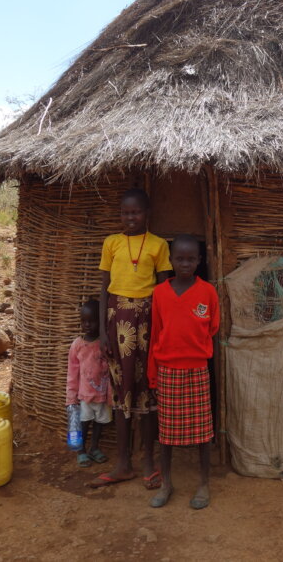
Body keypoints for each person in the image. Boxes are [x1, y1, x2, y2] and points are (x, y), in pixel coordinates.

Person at [90, 188, 172, 489]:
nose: (130, 217)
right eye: (125, 213)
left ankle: (149, 460)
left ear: (146, 213)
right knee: (121, 390)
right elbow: (104, 290)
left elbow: (164, 293)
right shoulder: (111, 243)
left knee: (148, 389)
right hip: (117, 321)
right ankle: (123, 462)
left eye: (135, 212)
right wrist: (102, 332)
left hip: (148, 321)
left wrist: (162, 331)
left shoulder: (158, 245)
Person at [147, 234, 219, 509]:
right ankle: (166, 483)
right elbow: (155, 334)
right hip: (167, 371)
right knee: (166, 435)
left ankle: (203, 483)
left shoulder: (207, 292)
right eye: (179, 258)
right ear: (171, 260)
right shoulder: (161, 293)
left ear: (199, 261)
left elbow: (212, 328)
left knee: (203, 433)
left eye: (191, 259)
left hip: (197, 370)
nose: (185, 263)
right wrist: (153, 374)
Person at [66, 299, 111, 467]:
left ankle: (94, 447)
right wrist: (71, 396)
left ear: (100, 322)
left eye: (92, 321)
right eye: (83, 321)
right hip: (84, 396)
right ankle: (81, 450)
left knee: (100, 423)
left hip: (103, 395)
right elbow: (72, 373)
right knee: (83, 424)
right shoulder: (77, 346)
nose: (87, 325)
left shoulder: (104, 344)